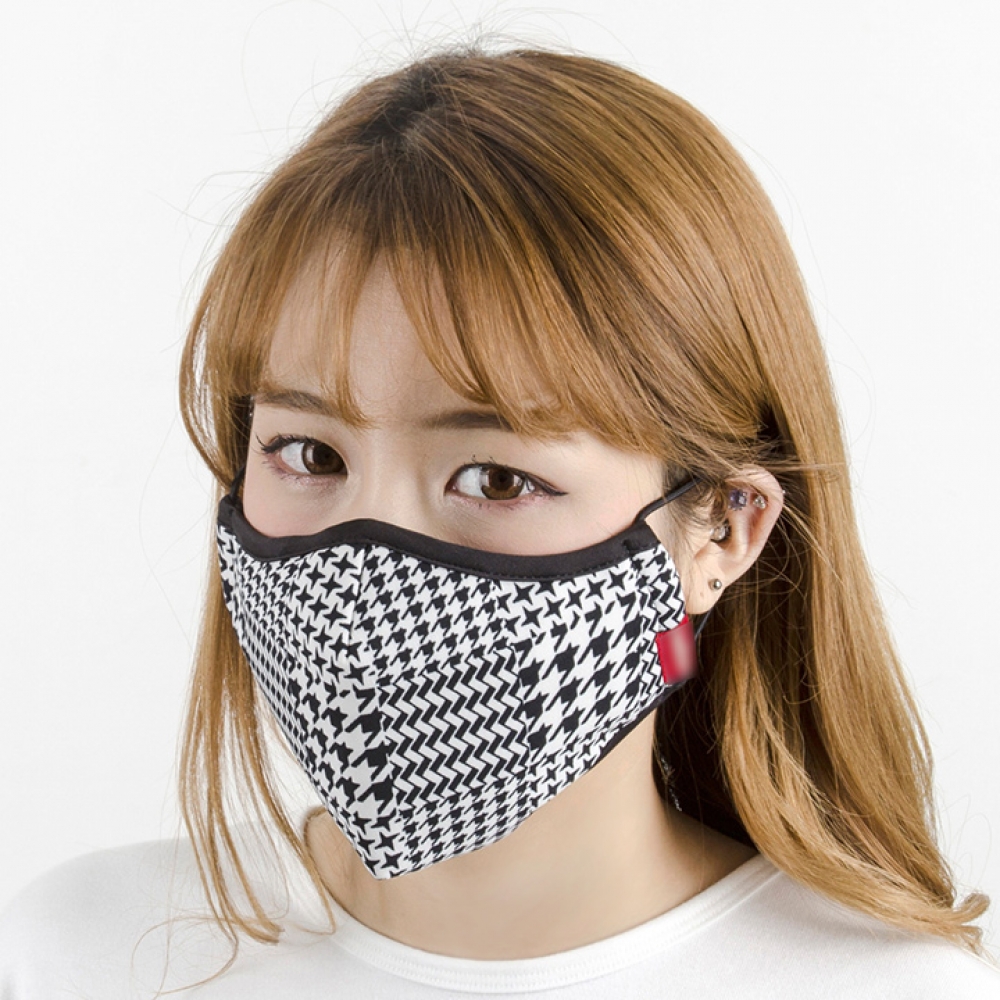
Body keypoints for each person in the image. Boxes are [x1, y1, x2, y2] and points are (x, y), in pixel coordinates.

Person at [1, 46, 997, 999]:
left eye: (495, 475)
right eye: (310, 455)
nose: (363, 581)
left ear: (721, 531)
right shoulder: (71, 956)